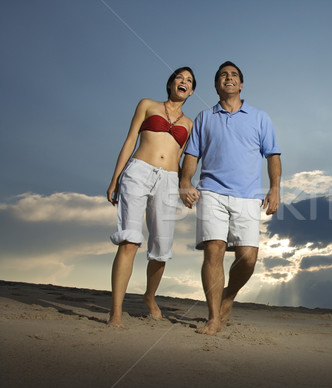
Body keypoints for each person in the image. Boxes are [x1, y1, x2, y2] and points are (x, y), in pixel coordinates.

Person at [179, 61, 281, 335]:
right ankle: (213, 318)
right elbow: (191, 155)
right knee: (214, 251)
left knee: (248, 258)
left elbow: (273, 155)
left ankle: (229, 295)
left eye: (234, 75)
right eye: (223, 75)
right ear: (216, 85)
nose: (229, 78)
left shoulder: (260, 117)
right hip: (211, 191)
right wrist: (185, 181)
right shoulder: (204, 117)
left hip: (248, 196)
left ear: (241, 84)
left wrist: (275, 189)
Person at [106, 67, 196, 328]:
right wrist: (115, 178)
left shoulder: (190, 125)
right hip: (138, 171)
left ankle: (149, 296)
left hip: (168, 180)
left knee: (161, 248)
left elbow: (181, 160)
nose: (184, 82)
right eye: (180, 77)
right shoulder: (147, 105)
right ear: (170, 84)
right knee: (130, 240)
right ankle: (116, 312)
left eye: (189, 81)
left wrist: (184, 187)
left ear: (191, 92)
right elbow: (130, 139)